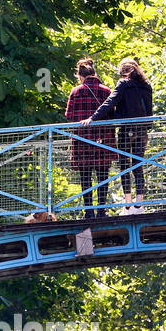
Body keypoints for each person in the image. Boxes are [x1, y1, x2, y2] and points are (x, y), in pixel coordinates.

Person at [82, 57, 154, 215]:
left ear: (123, 72)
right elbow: (149, 110)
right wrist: (147, 126)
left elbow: (110, 102)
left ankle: (127, 206)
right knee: (138, 166)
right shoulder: (146, 85)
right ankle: (139, 206)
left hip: (126, 131)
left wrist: (92, 118)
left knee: (124, 166)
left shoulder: (123, 84)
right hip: (142, 130)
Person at [64, 58, 116, 217]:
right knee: (102, 175)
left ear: (80, 76)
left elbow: (69, 116)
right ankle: (102, 209)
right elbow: (112, 114)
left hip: (82, 140)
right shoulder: (106, 91)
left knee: (85, 176)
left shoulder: (75, 91)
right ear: (94, 73)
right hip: (103, 139)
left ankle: (89, 212)